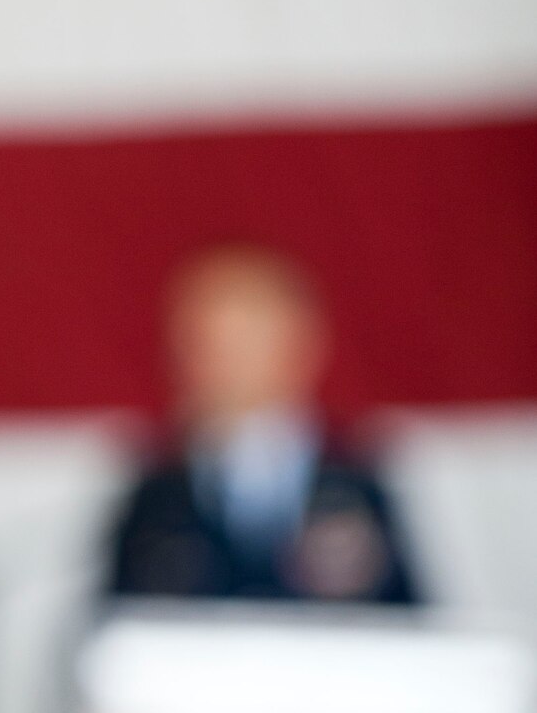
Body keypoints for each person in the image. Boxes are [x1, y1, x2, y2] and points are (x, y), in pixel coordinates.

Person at [105, 245, 420, 604]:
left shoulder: (354, 474)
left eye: (249, 338)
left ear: (305, 344)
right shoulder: (159, 486)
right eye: (209, 341)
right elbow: (115, 629)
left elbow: (411, 624)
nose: (230, 364)